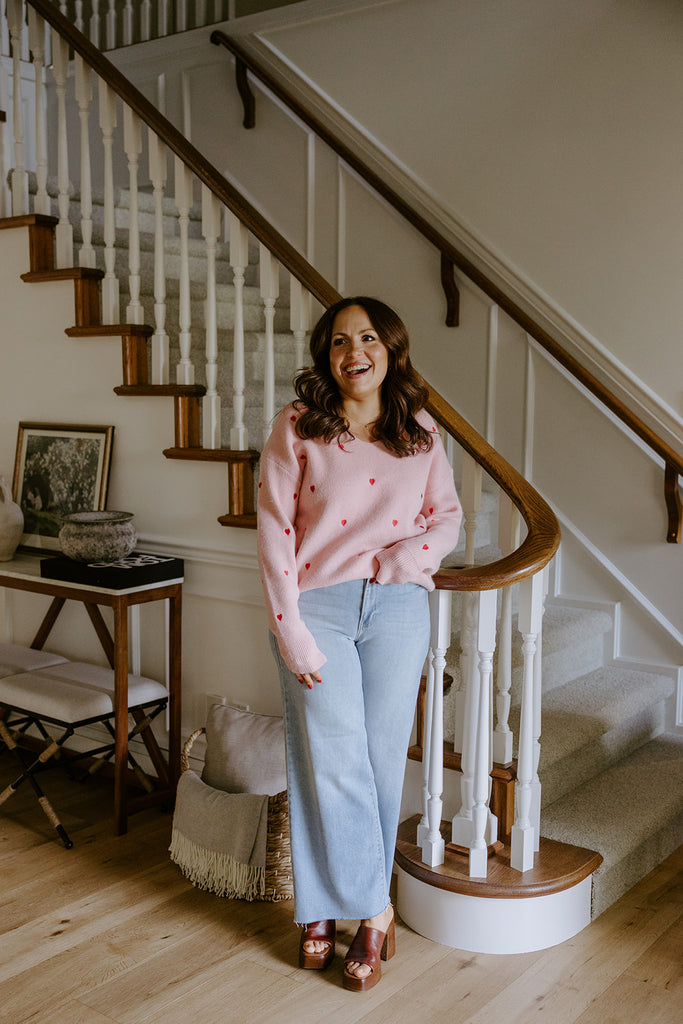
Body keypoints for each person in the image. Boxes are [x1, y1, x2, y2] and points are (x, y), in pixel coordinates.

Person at [257, 296, 462, 992]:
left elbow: (446, 517)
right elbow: (274, 528)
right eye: (341, 340)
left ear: (389, 349)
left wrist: (404, 561)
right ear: (327, 354)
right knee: (331, 757)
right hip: (318, 607)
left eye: (368, 337)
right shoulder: (298, 425)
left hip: (398, 609)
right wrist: (290, 628)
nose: (355, 352)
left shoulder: (419, 430)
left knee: (376, 760)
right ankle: (372, 909)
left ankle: (325, 909)